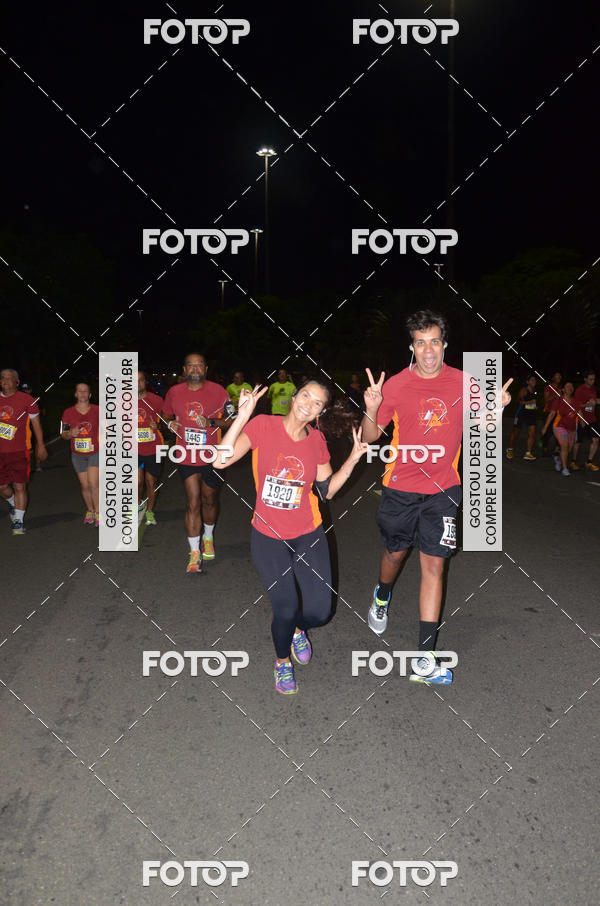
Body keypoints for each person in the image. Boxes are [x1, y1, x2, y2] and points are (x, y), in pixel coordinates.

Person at [360, 310, 511, 685]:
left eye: (435, 341)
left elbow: (481, 427)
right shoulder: (395, 384)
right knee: (395, 554)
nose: (428, 350)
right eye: (421, 342)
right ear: (412, 347)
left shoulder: (466, 382)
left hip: (444, 489)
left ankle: (424, 657)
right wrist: (373, 406)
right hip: (400, 487)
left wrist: (496, 410)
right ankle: (382, 595)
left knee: (434, 566)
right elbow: (370, 437)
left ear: (445, 344)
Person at [213, 378, 368, 694]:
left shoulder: (316, 441)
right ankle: (282, 662)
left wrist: (352, 459)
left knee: (321, 612)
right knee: (284, 608)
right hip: (268, 536)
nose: (308, 404)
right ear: (294, 397)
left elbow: (326, 490)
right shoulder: (263, 426)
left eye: (316, 403)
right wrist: (242, 415)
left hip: (308, 532)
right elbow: (220, 460)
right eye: (306, 396)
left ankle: (299, 629)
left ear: (319, 412)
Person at [162, 353, 233, 572]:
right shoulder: (174, 392)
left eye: (199, 365)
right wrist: (170, 423)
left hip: (212, 455)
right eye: (190, 365)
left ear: (206, 368)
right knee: (192, 502)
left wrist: (212, 422)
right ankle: (194, 553)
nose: (194, 369)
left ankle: (208, 537)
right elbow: (165, 415)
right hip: (186, 455)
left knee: (209, 499)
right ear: (184, 370)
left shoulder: (219, 391)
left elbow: (232, 419)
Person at [0, 368, 48, 534]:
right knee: (2, 487)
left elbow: (36, 424)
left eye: (9, 378)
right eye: (2, 378)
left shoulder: (27, 400)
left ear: (17, 382)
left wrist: (40, 444)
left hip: (20, 450)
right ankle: (13, 503)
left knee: (20, 486)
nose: (5, 381)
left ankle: (18, 522)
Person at [61, 382, 100, 524]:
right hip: (77, 454)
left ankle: (99, 512)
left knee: (93, 483)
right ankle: (90, 510)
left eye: (85, 391)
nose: (82, 393)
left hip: (95, 452)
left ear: (89, 394)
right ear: (75, 394)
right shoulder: (68, 412)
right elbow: (63, 433)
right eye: (79, 391)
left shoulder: (98, 410)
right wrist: (70, 433)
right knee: (85, 485)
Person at [137, 371, 165, 525]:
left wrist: (158, 425)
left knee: (150, 481)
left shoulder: (157, 400)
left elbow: (167, 422)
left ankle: (149, 511)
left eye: (141, 380)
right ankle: (137, 506)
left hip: (155, 448)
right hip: (133, 448)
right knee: (137, 481)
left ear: (145, 382)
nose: (138, 383)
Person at [542, 381, 577, 476]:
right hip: (559, 426)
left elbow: (579, 412)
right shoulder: (559, 400)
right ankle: (564, 469)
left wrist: (583, 424)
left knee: (569, 448)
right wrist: (545, 427)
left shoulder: (575, 401)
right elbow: (552, 413)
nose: (569, 388)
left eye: (571, 386)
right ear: (563, 389)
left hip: (571, 428)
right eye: (567, 386)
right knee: (564, 445)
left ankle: (558, 460)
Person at [570, 369, 600, 471]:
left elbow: (595, 401)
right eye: (590, 379)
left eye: (594, 379)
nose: (593, 381)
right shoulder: (580, 390)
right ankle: (573, 461)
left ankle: (589, 462)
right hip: (581, 418)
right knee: (578, 441)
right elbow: (577, 406)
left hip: (592, 419)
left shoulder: (594, 389)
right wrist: (587, 405)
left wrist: (595, 402)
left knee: (596, 439)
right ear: (585, 379)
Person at [506, 374, 538, 461]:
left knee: (532, 433)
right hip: (521, 413)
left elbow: (533, 402)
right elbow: (517, 401)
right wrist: (528, 402)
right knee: (515, 432)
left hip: (531, 414)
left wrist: (534, 406)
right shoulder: (524, 390)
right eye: (532, 380)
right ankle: (510, 450)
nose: (534, 381)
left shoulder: (535, 390)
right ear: (527, 382)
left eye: (535, 380)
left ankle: (528, 453)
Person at [541, 371, 562, 455]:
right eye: (557, 376)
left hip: (558, 413)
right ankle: (545, 448)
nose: (559, 378)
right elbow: (546, 400)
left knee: (559, 430)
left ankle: (556, 449)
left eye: (560, 376)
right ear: (553, 378)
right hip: (548, 412)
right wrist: (556, 395)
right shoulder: (548, 387)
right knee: (547, 432)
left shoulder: (561, 388)